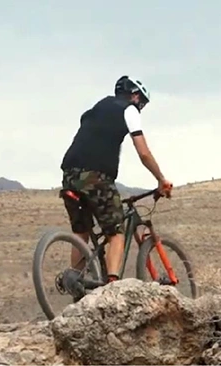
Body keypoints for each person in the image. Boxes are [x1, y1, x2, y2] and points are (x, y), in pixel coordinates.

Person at [57, 75, 173, 295]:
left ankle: (76, 283)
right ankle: (112, 288)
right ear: (135, 95)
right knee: (116, 232)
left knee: (81, 232)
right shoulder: (129, 110)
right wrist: (160, 179)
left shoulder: (99, 106)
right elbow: (144, 152)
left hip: (69, 174)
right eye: (143, 103)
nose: (141, 108)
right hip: (96, 176)